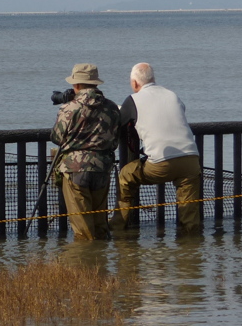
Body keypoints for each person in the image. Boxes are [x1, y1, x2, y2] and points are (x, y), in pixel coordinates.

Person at [108, 62, 202, 236]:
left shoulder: (133, 100)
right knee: (189, 210)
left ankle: (118, 227)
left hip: (161, 163)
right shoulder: (172, 95)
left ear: (135, 83)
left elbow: (119, 121)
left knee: (127, 175)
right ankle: (191, 248)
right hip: (191, 158)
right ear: (153, 79)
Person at [50, 63, 121, 240]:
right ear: (96, 84)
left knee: (83, 228)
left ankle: (86, 260)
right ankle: (102, 261)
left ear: (77, 85)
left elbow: (57, 137)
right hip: (103, 168)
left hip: (75, 169)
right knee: (100, 223)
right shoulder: (111, 107)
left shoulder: (70, 108)